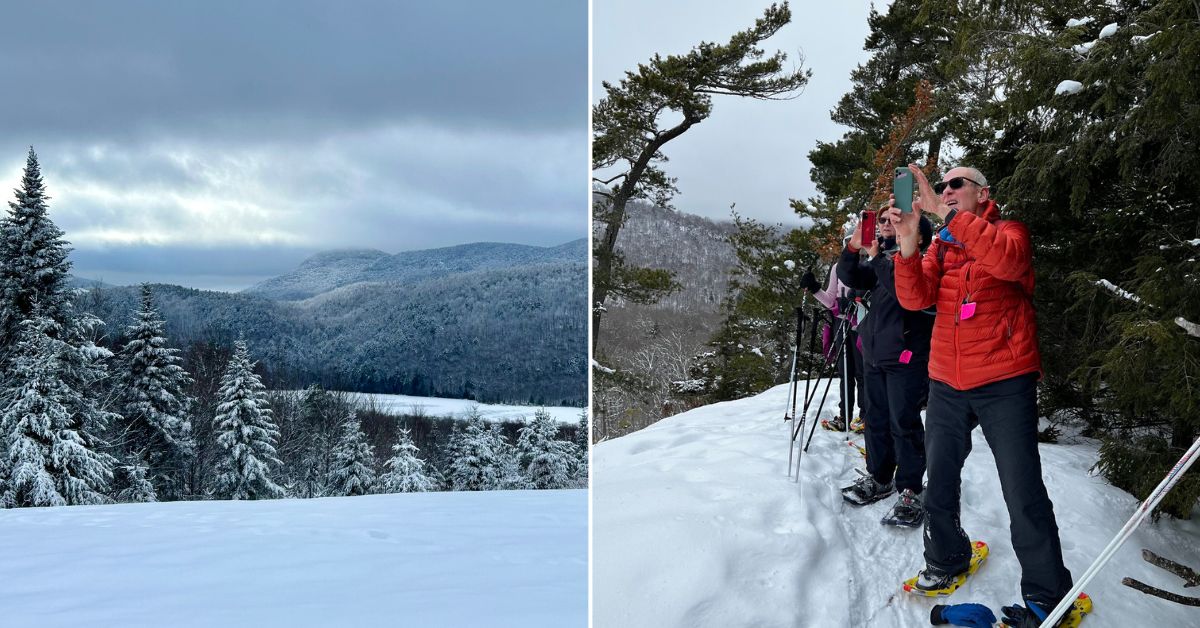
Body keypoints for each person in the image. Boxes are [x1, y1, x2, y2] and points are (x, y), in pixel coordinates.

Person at [885, 164, 1073, 626]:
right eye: (942, 185)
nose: (946, 191)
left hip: (1005, 381)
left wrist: (943, 216)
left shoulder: (1008, 231)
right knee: (940, 482)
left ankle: (1050, 595)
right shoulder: (943, 243)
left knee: (1021, 490)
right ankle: (947, 558)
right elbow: (915, 298)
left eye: (955, 184)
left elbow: (1008, 262)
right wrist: (909, 240)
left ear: (982, 192)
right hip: (948, 382)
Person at [834, 209, 934, 526]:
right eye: (882, 222)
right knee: (874, 418)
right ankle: (880, 476)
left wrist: (878, 258)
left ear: (917, 234)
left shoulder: (921, 263)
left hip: (907, 358)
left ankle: (911, 488)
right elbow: (849, 276)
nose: (885, 225)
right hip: (875, 356)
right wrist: (852, 247)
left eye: (894, 221)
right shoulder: (881, 262)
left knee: (903, 423)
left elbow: (907, 296)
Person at [800, 258, 864, 432]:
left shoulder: (869, 263)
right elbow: (830, 300)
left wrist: (857, 302)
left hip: (863, 322)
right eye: (848, 241)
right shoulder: (838, 267)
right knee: (845, 372)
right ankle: (845, 416)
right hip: (841, 322)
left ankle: (867, 416)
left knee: (863, 372)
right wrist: (814, 288)